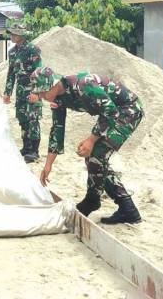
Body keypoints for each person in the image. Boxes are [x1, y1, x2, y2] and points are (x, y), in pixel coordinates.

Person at [29, 67, 144, 225]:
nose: (40, 96)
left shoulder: (83, 85)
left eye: (42, 92)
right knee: (95, 158)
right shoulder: (57, 98)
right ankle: (128, 209)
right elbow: (57, 129)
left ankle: (93, 200)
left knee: (97, 153)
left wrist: (91, 139)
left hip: (128, 110)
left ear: (52, 85)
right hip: (113, 113)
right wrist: (48, 165)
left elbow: (110, 111)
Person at [2, 24, 43, 163]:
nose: (12, 36)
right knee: (22, 119)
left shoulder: (33, 49)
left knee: (33, 119)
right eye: (11, 33)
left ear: (22, 35)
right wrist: (7, 92)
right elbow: (11, 73)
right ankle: (26, 147)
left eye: (14, 33)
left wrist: (37, 93)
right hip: (20, 92)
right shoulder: (12, 52)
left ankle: (34, 151)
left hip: (32, 91)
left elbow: (40, 72)